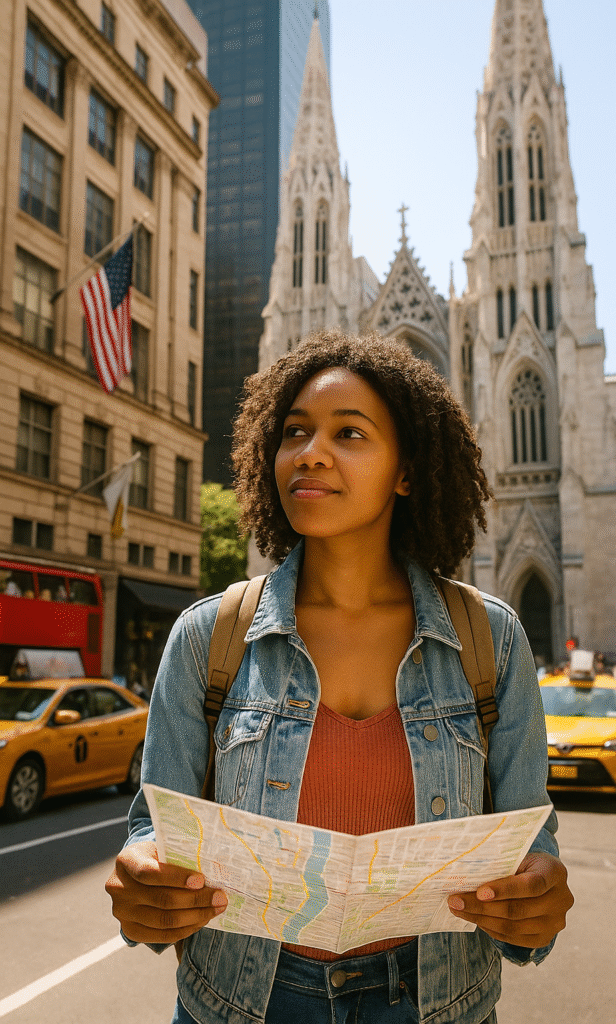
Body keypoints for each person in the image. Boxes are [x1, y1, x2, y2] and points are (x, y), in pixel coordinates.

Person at [106, 332, 573, 1024]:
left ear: (406, 471)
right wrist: (143, 878)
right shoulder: (209, 635)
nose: (309, 452)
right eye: (294, 432)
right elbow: (154, 827)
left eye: (347, 432)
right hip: (239, 1001)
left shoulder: (491, 640)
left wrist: (535, 899)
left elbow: (529, 842)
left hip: (436, 1003)